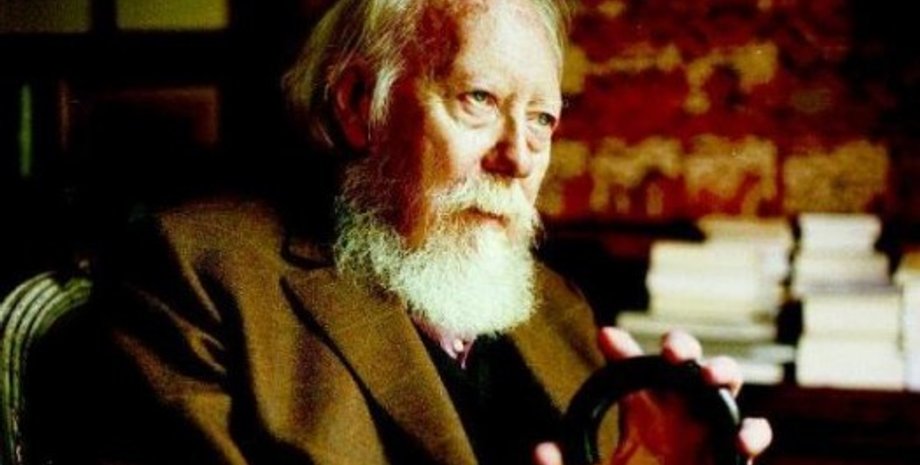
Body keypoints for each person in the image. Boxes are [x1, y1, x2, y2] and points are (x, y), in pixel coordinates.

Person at [35, 0, 772, 464]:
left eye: (542, 119)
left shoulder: (559, 309)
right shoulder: (198, 272)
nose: (519, 157)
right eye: (479, 99)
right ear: (361, 104)